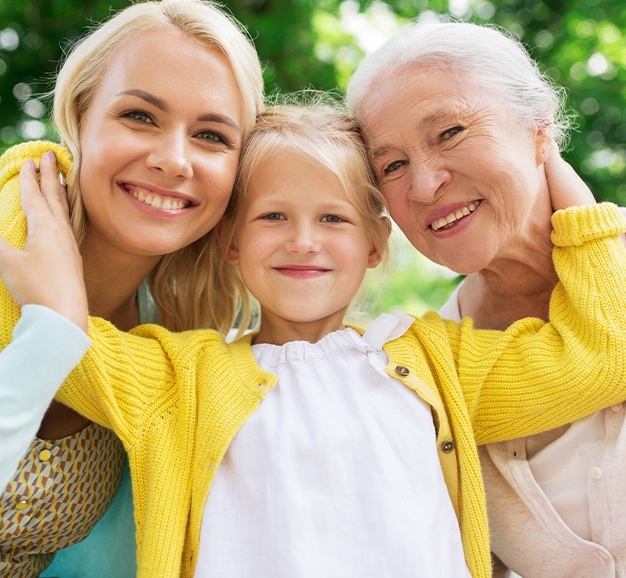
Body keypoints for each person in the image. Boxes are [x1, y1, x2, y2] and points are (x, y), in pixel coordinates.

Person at [2, 102, 626, 578]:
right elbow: (43, 327)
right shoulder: (175, 380)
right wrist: (35, 169)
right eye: (273, 216)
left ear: (377, 243)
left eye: (333, 218)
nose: (304, 240)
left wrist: (556, 174)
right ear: (231, 241)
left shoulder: (440, 363)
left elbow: (605, 354)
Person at [346, 17, 626, 576]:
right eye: (392, 165)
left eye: (450, 132)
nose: (423, 186)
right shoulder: (426, 368)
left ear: (539, 130)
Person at [0, 0, 263, 576]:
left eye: (212, 136)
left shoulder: (173, 340)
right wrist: (52, 330)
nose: (174, 160)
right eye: (140, 116)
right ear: (79, 119)